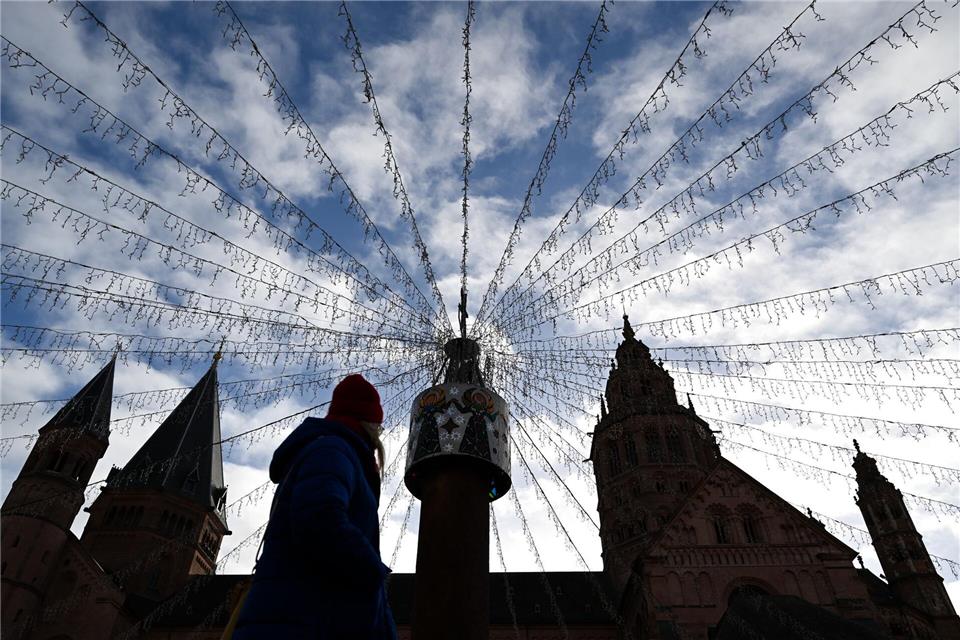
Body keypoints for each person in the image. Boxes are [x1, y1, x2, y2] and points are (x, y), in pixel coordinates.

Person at [232, 374, 397, 639]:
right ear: (370, 423)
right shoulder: (334, 449)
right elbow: (319, 517)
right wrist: (372, 573)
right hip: (303, 620)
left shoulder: (335, 451)